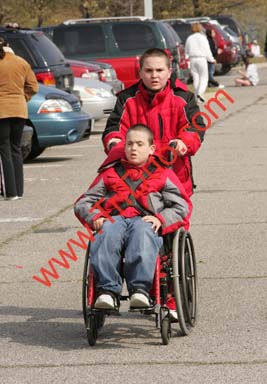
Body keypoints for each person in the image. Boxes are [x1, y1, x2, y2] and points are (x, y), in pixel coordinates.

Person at [74, 124, 192, 314]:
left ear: (151, 148)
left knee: (142, 232)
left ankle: (140, 290)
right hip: (115, 220)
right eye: (129, 144)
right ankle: (107, 292)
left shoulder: (163, 174)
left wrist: (161, 219)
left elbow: (181, 207)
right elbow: (83, 203)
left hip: (145, 220)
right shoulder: (110, 173)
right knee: (106, 233)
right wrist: (95, 216)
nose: (133, 148)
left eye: (139, 144)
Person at [101, 47, 206, 198]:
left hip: (174, 177)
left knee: (173, 220)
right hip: (135, 180)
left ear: (169, 72)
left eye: (159, 70)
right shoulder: (126, 99)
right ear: (140, 73)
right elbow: (114, 129)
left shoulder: (184, 97)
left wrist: (183, 143)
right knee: (136, 221)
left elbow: (195, 127)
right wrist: (115, 145)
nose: (154, 76)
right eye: (149, 70)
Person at [0, 37, 38, 200]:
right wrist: (23, 98)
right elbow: (33, 86)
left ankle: (10, 192)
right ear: (8, 46)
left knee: (4, 148)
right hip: (19, 109)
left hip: (1, 110)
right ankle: (19, 191)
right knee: (16, 148)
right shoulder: (21, 62)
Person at [185, 23, 216, 103]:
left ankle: (197, 96)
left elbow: (186, 51)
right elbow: (207, 50)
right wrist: (211, 59)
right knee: (204, 78)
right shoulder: (203, 38)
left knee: (196, 78)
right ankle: (200, 93)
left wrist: (186, 59)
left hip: (192, 59)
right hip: (201, 59)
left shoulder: (189, 38)